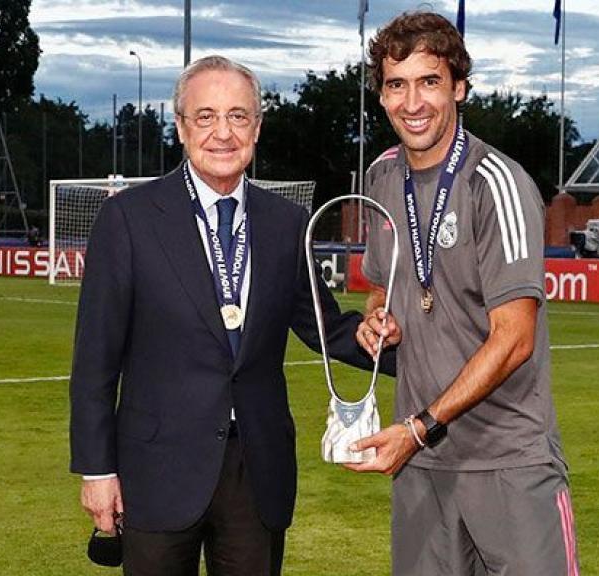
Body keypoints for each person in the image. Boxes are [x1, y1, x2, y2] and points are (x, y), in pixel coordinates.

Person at [69, 55, 395, 576]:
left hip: (256, 471)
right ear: (180, 126)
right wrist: (97, 469)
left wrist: (381, 338)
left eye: (238, 116)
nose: (223, 132)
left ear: (257, 127)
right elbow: (94, 359)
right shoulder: (127, 219)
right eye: (206, 116)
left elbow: (323, 326)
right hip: (156, 470)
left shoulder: (287, 223)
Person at [350, 11, 580, 576]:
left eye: (429, 81)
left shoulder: (495, 184)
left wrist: (420, 427)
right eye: (396, 85)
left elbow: (514, 340)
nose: (412, 102)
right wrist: (378, 321)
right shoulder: (381, 177)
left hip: (508, 461)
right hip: (422, 465)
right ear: (381, 96)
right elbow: (382, 292)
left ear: (458, 88)